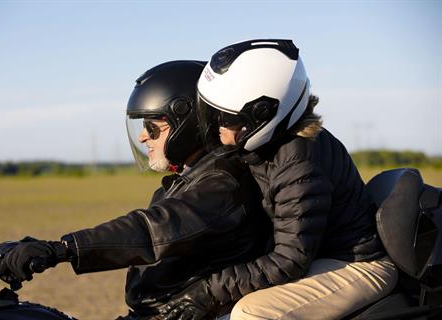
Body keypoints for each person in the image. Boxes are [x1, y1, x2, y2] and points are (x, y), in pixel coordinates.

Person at [0, 60, 271, 319]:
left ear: (189, 123)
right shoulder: (191, 176)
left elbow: (152, 231)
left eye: (152, 125)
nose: (142, 135)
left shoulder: (222, 182)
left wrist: (60, 250)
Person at [160, 40, 398, 320]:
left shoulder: (298, 161)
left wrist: (209, 291)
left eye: (225, 117)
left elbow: (289, 259)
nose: (216, 126)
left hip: (356, 264)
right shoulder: (262, 148)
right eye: (210, 112)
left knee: (251, 313)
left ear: (263, 115)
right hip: (319, 255)